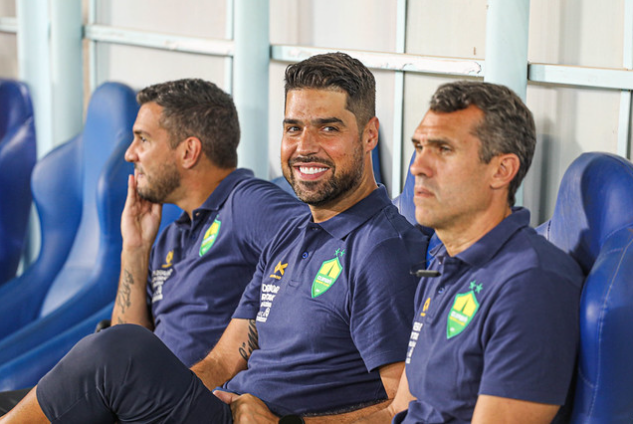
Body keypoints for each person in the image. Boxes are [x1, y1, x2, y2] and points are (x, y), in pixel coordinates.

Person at [0, 52, 427, 423]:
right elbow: (223, 358)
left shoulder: (380, 249)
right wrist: (152, 399)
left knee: (120, 350)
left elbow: (398, 408)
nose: (305, 146)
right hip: (220, 408)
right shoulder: (293, 235)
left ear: (369, 134)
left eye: (328, 129)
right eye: (293, 128)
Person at [355, 81, 583, 423]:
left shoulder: (531, 284)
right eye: (419, 146)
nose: (418, 166)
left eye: (444, 149)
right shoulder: (443, 264)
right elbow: (397, 411)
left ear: (501, 171)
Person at [113, 78, 308, 368]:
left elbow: (319, 256)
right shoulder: (170, 236)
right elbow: (125, 351)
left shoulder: (247, 204)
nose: (130, 154)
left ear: (189, 152)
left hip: (198, 405)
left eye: (143, 139)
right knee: (101, 360)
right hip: (144, 403)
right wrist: (135, 249)